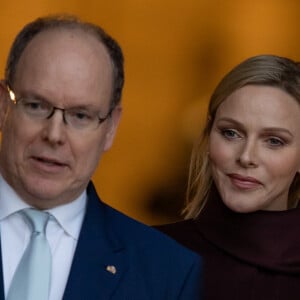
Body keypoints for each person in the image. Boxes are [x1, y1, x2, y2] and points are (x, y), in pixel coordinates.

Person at [0, 14, 202, 300]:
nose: (54, 134)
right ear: (2, 107)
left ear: (110, 127)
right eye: (35, 105)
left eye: (80, 115)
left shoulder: (168, 272)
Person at [157, 54, 300, 299]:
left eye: (274, 141)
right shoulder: (146, 254)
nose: (246, 156)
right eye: (231, 133)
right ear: (208, 135)